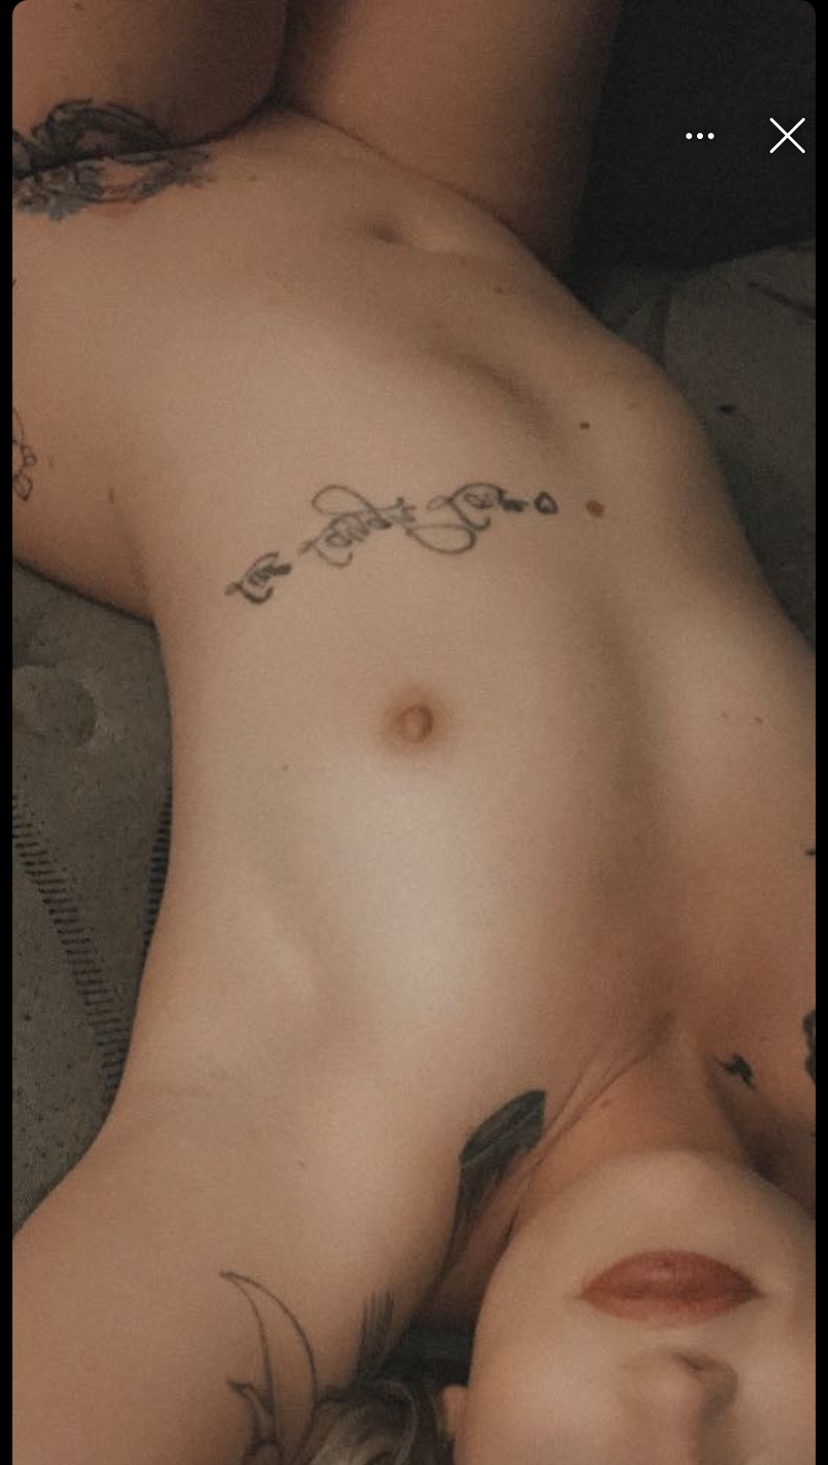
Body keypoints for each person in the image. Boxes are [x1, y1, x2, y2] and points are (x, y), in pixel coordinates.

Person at [12, 2, 815, 1462]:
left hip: (70, 186)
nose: (683, 1406)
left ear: (461, 1424)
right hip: (467, 201)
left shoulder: (319, 1178)